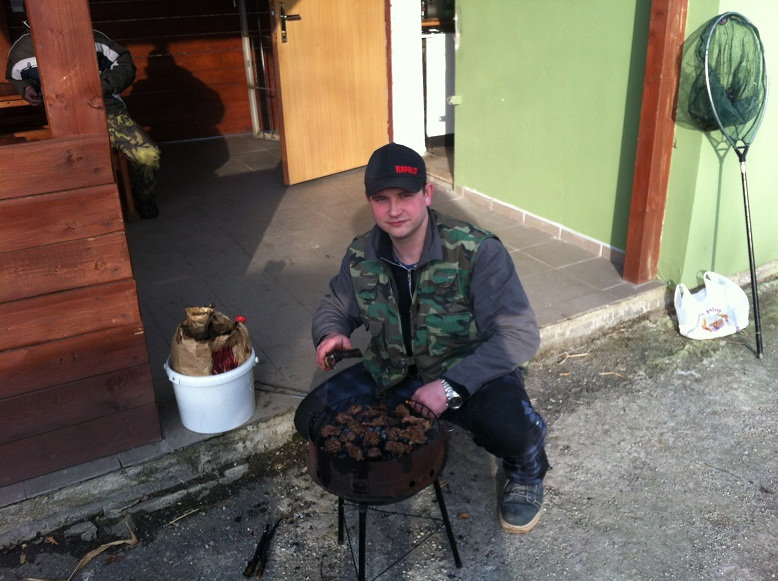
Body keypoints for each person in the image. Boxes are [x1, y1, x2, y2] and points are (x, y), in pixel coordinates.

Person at [295, 142, 551, 534]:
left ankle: (526, 473)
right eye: (381, 199)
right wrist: (332, 334)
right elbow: (336, 303)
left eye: (405, 196)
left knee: (511, 428)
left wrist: (448, 388)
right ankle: (404, 441)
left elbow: (519, 335)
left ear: (427, 194)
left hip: (468, 373)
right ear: (369, 202)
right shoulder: (361, 253)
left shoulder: (476, 251)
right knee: (311, 417)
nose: (394, 210)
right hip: (392, 371)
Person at [5, 24, 161, 219]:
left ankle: (144, 196)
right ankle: (82, 213)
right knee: (66, 165)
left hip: (107, 111)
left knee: (147, 155)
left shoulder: (92, 37)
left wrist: (99, 87)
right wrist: (26, 89)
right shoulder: (23, 48)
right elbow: (15, 76)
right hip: (61, 118)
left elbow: (125, 65)